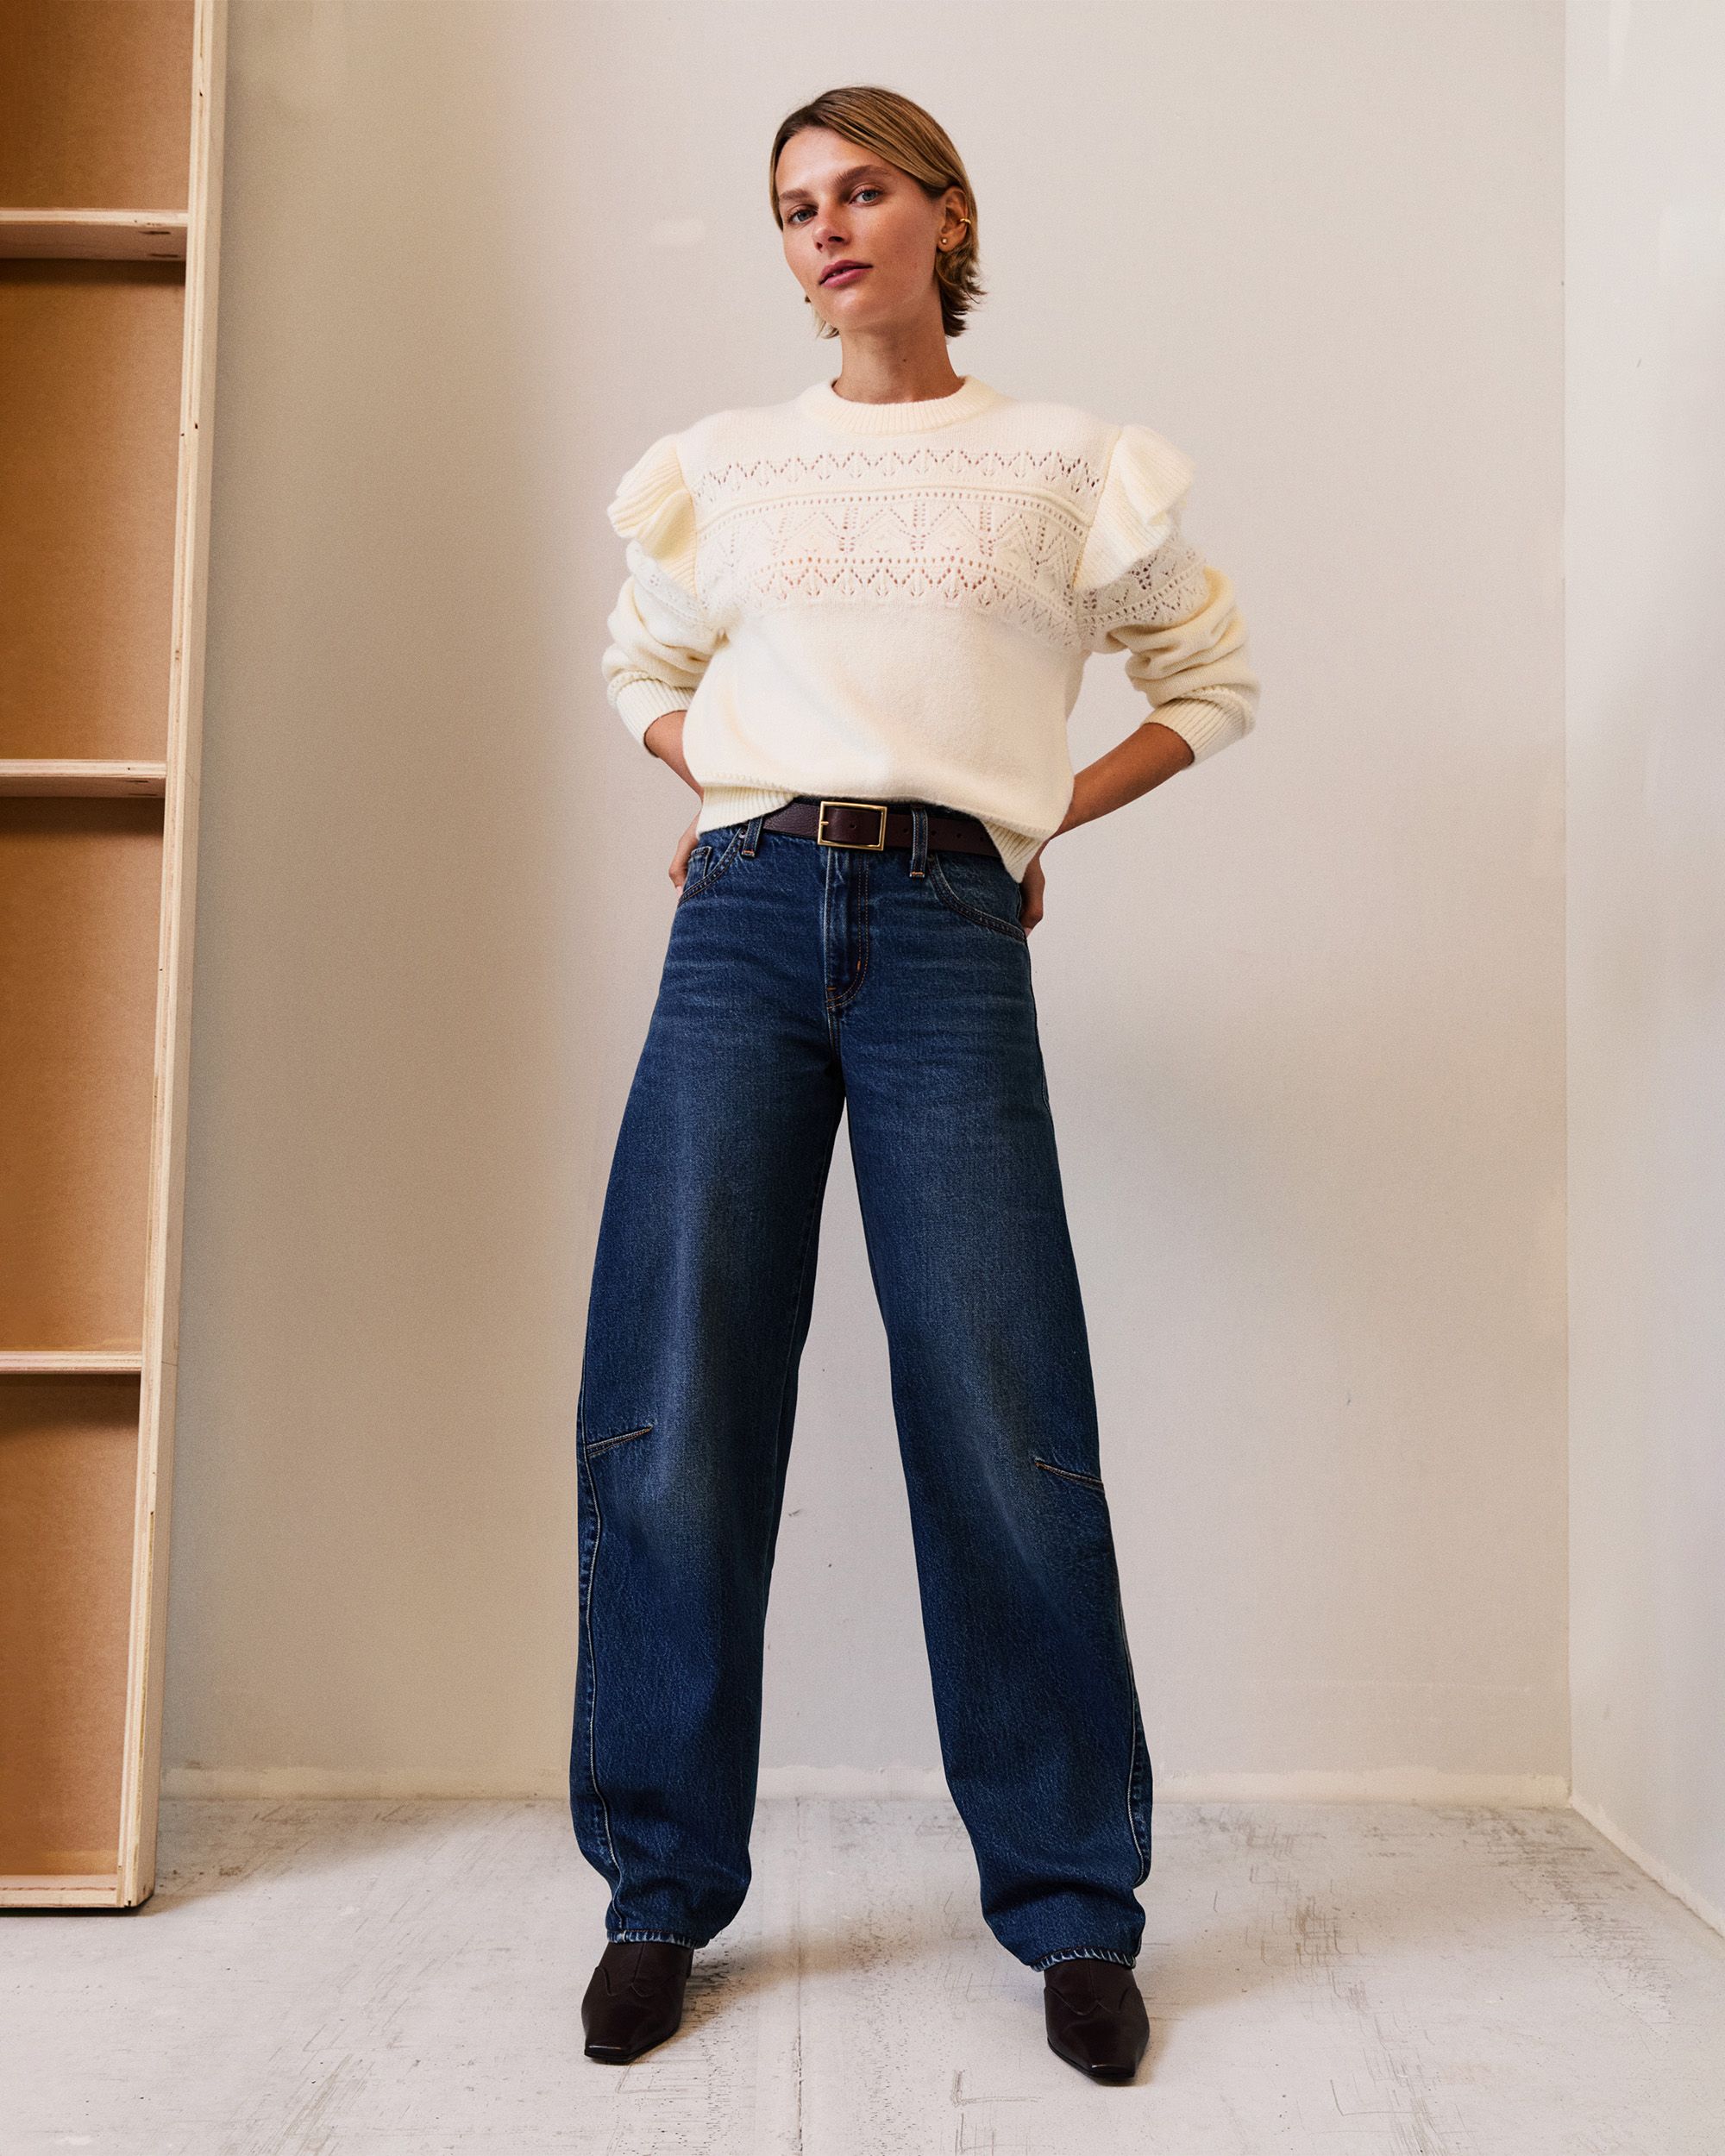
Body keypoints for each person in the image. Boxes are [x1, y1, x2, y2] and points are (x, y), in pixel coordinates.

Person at [573, 84, 1258, 2084]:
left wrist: (1033, 817)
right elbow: (643, 669)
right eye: (795, 205)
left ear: (945, 214)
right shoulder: (725, 468)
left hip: (950, 924)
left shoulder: (1063, 465)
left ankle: (1072, 1904)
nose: (826, 228)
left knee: (1000, 1402)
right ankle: (656, 1892)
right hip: (740, 924)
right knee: (677, 1399)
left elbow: (1209, 682)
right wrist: (724, 785)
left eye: (861, 189)